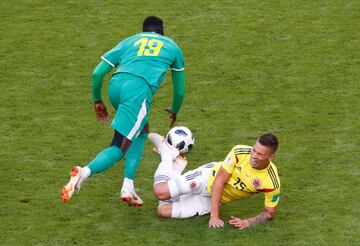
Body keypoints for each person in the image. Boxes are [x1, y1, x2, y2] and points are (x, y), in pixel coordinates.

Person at [61, 16, 185, 206]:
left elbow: (97, 73)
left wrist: (97, 100)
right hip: (138, 92)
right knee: (119, 146)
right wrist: (174, 109)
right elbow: (179, 90)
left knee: (141, 133)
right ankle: (83, 173)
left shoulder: (130, 41)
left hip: (116, 86)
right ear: (162, 31)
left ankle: (128, 186)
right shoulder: (172, 46)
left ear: (143, 31)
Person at [149, 132, 281, 229]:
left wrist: (248, 222)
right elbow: (219, 180)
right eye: (254, 150)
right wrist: (214, 216)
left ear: (271, 157)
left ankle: (177, 167)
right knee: (161, 192)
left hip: (211, 199)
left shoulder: (271, 182)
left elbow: (269, 213)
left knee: (163, 211)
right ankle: (166, 154)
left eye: (260, 154)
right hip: (206, 178)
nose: (254, 156)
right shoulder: (239, 152)